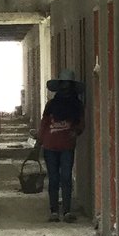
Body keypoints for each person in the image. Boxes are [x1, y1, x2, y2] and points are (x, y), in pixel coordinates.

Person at [36, 71, 86, 223]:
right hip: (50, 147)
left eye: (67, 85)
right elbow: (44, 124)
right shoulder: (51, 105)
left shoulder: (77, 106)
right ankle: (54, 211)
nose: (65, 88)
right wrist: (39, 142)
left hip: (67, 147)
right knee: (54, 179)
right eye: (63, 84)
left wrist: (76, 131)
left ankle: (67, 211)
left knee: (66, 178)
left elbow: (81, 124)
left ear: (71, 87)